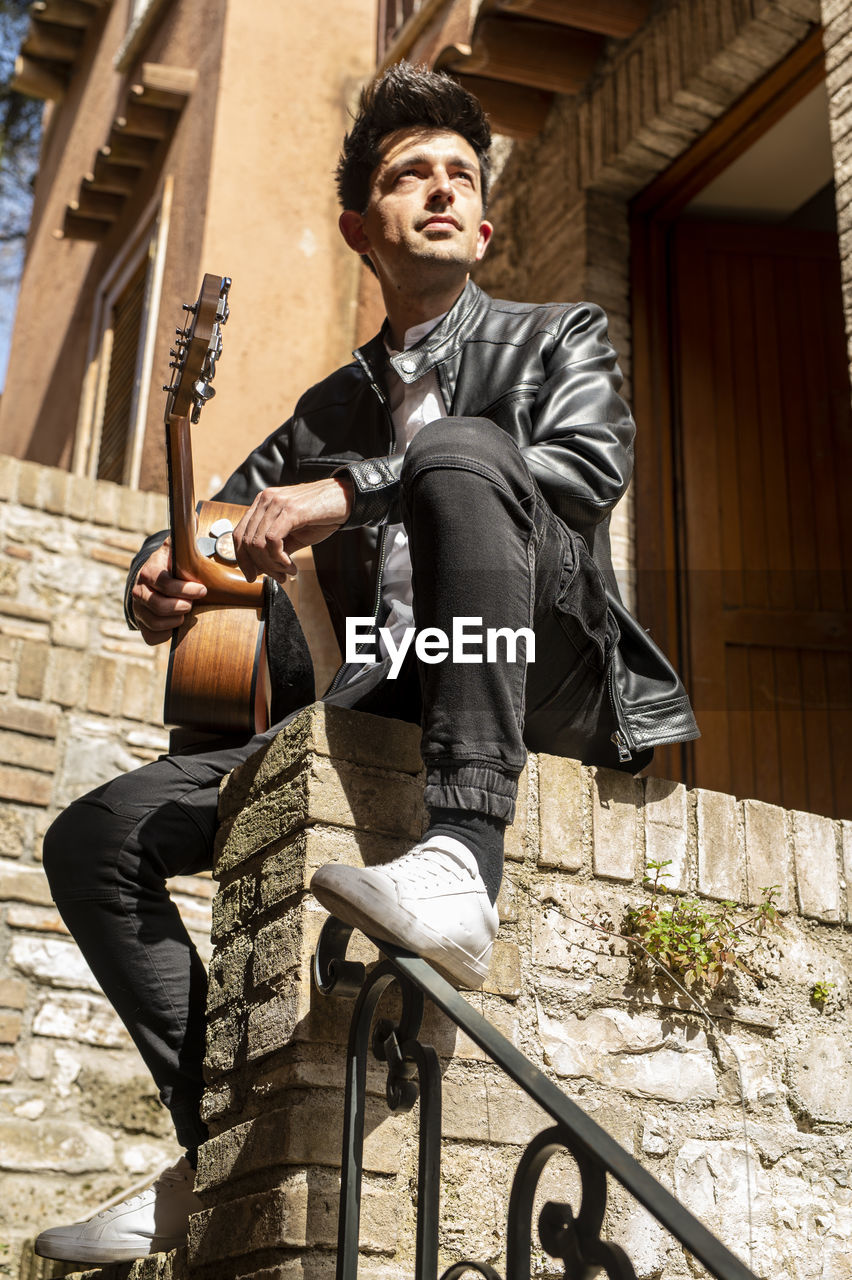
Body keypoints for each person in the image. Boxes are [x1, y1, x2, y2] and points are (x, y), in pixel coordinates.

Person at [35, 62, 698, 1264]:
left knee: (458, 452)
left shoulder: (562, 337)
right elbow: (222, 515)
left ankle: (463, 862)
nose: (441, 190)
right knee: (96, 836)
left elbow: (583, 474)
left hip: (531, 658)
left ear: (485, 223)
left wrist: (354, 490)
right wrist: (160, 566)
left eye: (459, 175)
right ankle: (219, 1138)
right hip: (380, 691)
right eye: (409, 177)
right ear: (364, 227)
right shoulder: (325, 403)